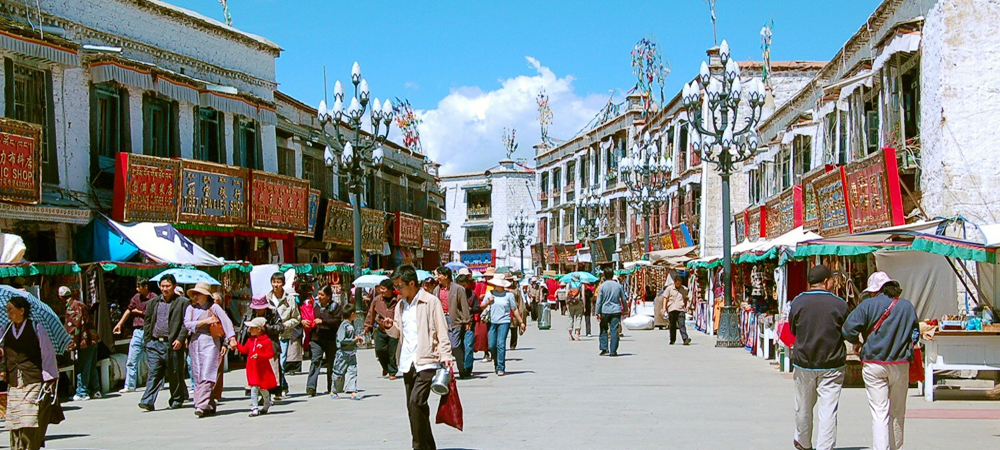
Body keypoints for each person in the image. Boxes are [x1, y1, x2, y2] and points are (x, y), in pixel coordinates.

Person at [843, 272, 919, 450]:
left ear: (874, 290)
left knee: (879, 412)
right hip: (900, 365)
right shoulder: (907, 306)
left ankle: (881, 447)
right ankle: (895, 446)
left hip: (874, 364)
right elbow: (915, 334)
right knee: (897, 411)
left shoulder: (867, 305)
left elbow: (848, 329)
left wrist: (857, 343)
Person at [382, 264, 453, 450]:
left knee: (416, 402)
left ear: (412, 283)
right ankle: (429, 445)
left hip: (427, 360)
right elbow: (398, 332)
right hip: (407, 361)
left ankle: (418, 446)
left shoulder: (430, 302)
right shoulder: (401, 305)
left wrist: (446, 355)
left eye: (400, 285)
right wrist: (389, 325)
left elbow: (441, 330)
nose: (398, 289)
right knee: (414, 408)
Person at [789, 265, 848, 450]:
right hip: (832, 363)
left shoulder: (798, 302)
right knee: (828, 409)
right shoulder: (839, 304)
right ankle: (825, 447)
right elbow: (846, 330)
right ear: (826, 281)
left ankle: (804, 442)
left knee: (803, 407)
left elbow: (792, 328)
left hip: (804, 362)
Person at [1, 296, 60, 450]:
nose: (8, 313)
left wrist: (49, 378)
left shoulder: (36, 327)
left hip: (32, 379)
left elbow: (47, 354)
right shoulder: (5, 329)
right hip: (14, 380)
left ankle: (30, 446)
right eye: (7, 310)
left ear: (22, 311)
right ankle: (17, 447)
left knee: (29, 416)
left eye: (11, 310)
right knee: (15, 418)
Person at [182, 282, 236, 417]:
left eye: (198, 293)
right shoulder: (190, 309)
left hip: (211, 342)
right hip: (195, 342)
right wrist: (203, 322)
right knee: (198, 373)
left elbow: (226, 322)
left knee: (207, 372)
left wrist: (231, 338)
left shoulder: (214, 307)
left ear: (206, 295)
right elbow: (187, 324)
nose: (196, 296)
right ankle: (209, 403)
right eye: (194, 294)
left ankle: (200, 404)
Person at [139, 274, 190, 411]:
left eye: (167, 286)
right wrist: (147, 340)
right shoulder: (153, 303)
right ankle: (147, 400)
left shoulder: (183, 302)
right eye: (162, 286)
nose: (164, 289)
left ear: (174, 286)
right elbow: (148, 322)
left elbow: (186, 323)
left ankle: (176, 399)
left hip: (172, 344)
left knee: (174, 372)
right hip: (155, 344)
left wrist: (180, 339)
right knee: (154, 372)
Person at [238, 295, 284, 400]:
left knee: (270, 370)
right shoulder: (248, 314)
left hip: (269, 344)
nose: (259, 310)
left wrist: (268, 328)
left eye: (261, 308)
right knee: (255, 371)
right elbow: (243, 330)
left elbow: (280, 327)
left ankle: (270, 393)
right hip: (253, 346)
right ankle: (256, 393)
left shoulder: (273, 313)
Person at [113, 278, 155, 393]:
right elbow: (129, 310)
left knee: (153, 359)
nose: (137, 289)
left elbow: (153, 314)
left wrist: (139, 312)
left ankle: (157, 383)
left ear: (145, 286)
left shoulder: (154, 298)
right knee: (132, 359)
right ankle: (130, 385)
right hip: (137, 331)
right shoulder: (136, 298)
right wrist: (120, 324)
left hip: (150, 331)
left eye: (139, 287)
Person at [482, 274, 525, 376]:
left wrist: (521, 322)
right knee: (491, 345)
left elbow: (514, 309)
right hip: (492, 321)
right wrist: (488, 302)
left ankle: (501, 367)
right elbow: (481, 306)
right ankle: (496, 362)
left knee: (501, 344)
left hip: (504, 322)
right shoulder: (489, 294)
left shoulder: (509, 295)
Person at [63, 286, 100, 401]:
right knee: (91, 366)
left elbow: (75, 325)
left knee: (84, 366)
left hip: (85, 340)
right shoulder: (80, 304)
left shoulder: (73, 308)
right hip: (92, 338)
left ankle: (82, 392)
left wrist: (71, 342)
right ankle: (95, 390)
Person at [236, 317, 277, 417]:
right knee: (254, 387)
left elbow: (270, 354)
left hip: (262, 368)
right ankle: (255, 407)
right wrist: (236, 344)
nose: (249, 329)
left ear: (259, 329)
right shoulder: (250, 340)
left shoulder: (266, 341)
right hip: (252, 367)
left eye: (251, 327)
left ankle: (267, 401)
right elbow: (244, 350)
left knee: (263, 388)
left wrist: (259, 356)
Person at [267, 272, 300, 395]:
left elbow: (297, 318)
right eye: (274, 282)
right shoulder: (267, 299)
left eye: (278, 282)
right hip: (270, 335)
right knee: (273, 363)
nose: (276, 285)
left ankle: (279, 387)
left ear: (283, 283)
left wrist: (285, 325)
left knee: (281, 362)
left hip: (284, 335)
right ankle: (280, 386)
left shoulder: (290, 299)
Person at [306, 284, 342, 396]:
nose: (319, 297)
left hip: (330, 338)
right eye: (319, 294)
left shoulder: (335, 307)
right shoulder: (315, 306)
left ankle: (332, 386)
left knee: (331, 363)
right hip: (316, 338)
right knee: (315, 361)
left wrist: (323, 321)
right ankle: (311, 387)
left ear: (328, 296)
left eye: (322, 295)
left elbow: (336, 322)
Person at [363, 279, 399, 379]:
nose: (381, 291)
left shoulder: (398, 299)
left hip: (393, 328)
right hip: (379, 328)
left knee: (392, 351)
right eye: (380, 288)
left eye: (384, 289)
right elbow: (371, 313)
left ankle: (392, 372)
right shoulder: (377, 299)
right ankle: (385, 367)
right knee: (379, 349)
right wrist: (367, 326)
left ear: (390, 289)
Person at [333, 309, 363, 400]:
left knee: (352, 371)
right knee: (339, 373)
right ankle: (334, 390)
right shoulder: (344, 325)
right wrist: (353, 340)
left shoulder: (351, 325)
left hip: (352, 352)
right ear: (352, 314)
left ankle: (352, 391)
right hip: (343, 353)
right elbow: (341, 339)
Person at [596, 267, 625, 356]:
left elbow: (599, 301)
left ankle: (604, 348)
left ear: (604, 275)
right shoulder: (618, 285)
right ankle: (613, 350)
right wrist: (626, 309)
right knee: (614, 330)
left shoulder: (603, 286)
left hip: (605, 311)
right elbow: (623, 299)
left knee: (603, 329)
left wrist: (597, 312)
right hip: (616, 310)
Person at [452, 271, 476, 379]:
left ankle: (468, 368)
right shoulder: (453, 294)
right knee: (458, 346)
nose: (462, 286)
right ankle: (461, 367)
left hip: (469, 323)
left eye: (464, 284)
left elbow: (477, 308)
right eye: (460, 284)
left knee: (469, 345)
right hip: (457, 323)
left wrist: (470, 309)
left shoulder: (472, 294)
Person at [664, 275, 691, 345]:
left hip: (680, 309)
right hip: (671, 309)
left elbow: (686, 298)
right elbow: (665, 298)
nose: (679, 284)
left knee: (682, 324)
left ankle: (685, 339)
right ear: (675, 282)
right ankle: (672, 339)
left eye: (680, 283)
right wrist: (664, 308)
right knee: (672, 325)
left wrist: (687, 306)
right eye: (677, 283)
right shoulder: (669, 288)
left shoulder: (684, 289)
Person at [507, 273, 528, 350]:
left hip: (514, 314)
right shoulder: (500, 290)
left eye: (510, 280)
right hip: (503, 314)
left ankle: (513, 345)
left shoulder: (516, 291)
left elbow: (521, 304)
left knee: (513, 330)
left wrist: (522, 318)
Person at [567, 276, 584, 341]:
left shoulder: (569, 284)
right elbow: (583, 295)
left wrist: (567, 303)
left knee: (570, 318)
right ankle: (577, 335)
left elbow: (566, 295)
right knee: (578, 318)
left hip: (571, 303)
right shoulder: (581, 285)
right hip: (579, 302)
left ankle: (570, 335)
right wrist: (584, 305)